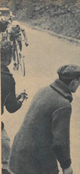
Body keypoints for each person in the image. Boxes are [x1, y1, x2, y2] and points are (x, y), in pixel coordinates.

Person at [9, 64, 80, 174]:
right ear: (74, 81)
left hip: (17, 155)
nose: (79, 84)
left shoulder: (44, 90)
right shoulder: (62, 104)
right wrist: (66, 166)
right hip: (33, 162)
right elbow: (60, 142)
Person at [1, 41, 27, 174]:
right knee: (5, 148)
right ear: (9, 59)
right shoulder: (6, 78)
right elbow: (11, 107)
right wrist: (20, 100)